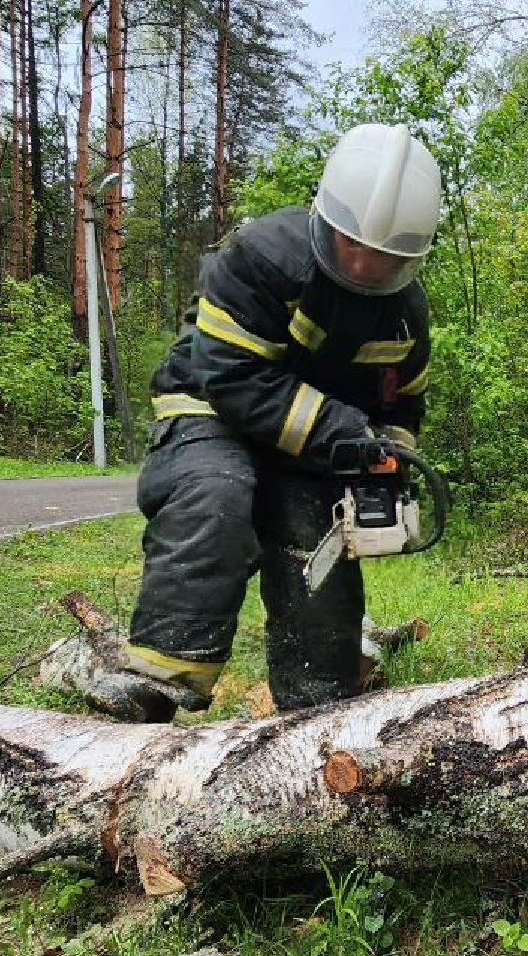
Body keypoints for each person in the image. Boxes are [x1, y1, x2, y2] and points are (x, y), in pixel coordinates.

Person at [66, 123, 440, 724]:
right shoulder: (262, 257)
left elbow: (401, 405)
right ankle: (161, 676)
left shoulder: (405, 315)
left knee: (316, 530)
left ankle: (319, 701)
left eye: (387, 257)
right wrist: (340, 429)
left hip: (315, 435)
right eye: (355, 246)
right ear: (329, 221)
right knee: (215, 493)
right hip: (209, 406)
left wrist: (385, 467)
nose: (368, 264)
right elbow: (232, 376)